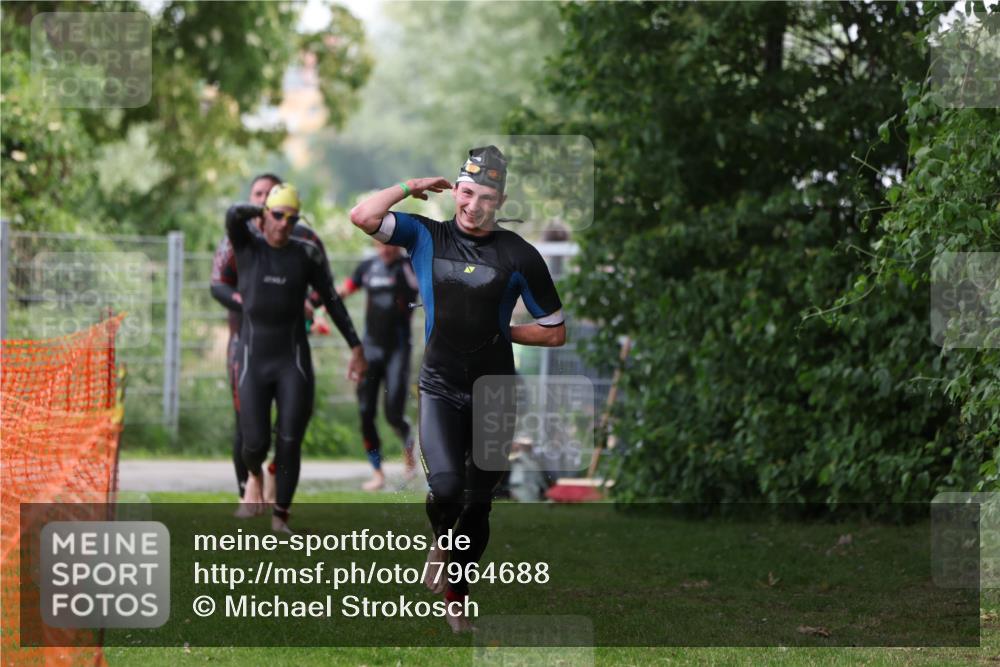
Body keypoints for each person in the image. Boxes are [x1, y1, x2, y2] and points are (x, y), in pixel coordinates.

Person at [348, 146, 566, 632]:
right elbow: (363, 215)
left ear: (500, 200)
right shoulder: (427, 235)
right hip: (441, 386)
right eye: (467, 193)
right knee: (446, 489)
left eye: (486, 197)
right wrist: (411, 187)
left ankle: (457, 596)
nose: (473, 205)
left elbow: (555, 329)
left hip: (495, 393)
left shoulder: (518, 255)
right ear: (456, 190)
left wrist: (499, 331)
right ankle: (443, 544)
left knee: (479, 502)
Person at [227, 183, 367, 532]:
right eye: (277, 216)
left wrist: (355, 345)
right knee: (254, 443)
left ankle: (281, 516)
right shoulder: (247, 246)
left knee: (289, 439)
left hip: (292, 360)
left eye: (292, 218)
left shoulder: (305, 254)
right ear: (264, 218)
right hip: (253, 358)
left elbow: (332, 300)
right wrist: (259, 211)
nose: (284, 225)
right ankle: (255, 475)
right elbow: (232, 214)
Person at [210, 173, 328, 506]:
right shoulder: (240, 239)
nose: (264, 201)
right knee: (249, 430)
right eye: (258, 195)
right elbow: (217, 283)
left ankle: (277, 493)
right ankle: (248, 489)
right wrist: (244, 301)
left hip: (288, 346)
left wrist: (309, 306)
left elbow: (325, 287)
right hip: (244, 344)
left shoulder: (304, 239)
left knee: (291, 430)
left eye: (269, 195)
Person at [339, 241, 419, 490]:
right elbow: (342, 292)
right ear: (373, 242)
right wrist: (316, 304)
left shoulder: (409, 267)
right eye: (380, 244)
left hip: (398, 349)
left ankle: (409, 459)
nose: (386, 249)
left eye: (391, 244)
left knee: (394, 413)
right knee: (365, 413)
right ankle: (377, 473)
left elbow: (426, 291)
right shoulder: (367, 267)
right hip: (370, 350)